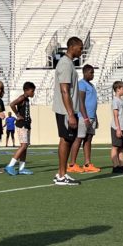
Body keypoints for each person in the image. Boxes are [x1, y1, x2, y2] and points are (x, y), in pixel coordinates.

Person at [52, 38, 84, 186]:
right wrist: (70, 114)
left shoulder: (69, 63)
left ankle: (62, 173)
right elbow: (64, 90)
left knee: (68, 140)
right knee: (65, 140)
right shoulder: (65, 64)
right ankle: (61, 175)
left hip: (69, 110)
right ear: (72, 47)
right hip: (66, 111)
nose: (81, 51)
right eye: (80, 48)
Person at [68, 64, 99, 173]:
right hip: (83, 117)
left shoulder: (91, 85)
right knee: (79, 138)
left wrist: (95, 117)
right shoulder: (82, 84)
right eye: (91, 73)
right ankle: (72, 164)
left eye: (93, 73)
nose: (92, 75)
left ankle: (87, 163)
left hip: (92, 117)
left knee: (88, 139)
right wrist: (85, 118)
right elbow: (81, 102)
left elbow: (93, 103)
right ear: (85, 73)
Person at [5, 81, 36, 176]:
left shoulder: (27, 99)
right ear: (26, 90)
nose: (33, 93)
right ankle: (10, 165)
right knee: (23, 145)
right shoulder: (22, 97)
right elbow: (12, 104)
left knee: (25, 146)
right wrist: (17, 115)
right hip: (21, 125)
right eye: (32, 91)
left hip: (26, 125)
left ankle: (22, 168)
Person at [110, 80, 123, 173]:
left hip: (122, 127)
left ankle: (121, 165)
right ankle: (115, 166)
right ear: (118, 89)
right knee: (115, 147)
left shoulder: (121, 101)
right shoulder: (115, 101)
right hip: (116, 128)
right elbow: (115, 115)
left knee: (121, 147)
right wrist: (118, 129)